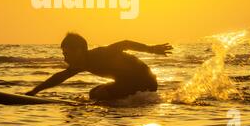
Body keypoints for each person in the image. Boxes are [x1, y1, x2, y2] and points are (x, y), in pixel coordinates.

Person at [25, 33, 173, 101]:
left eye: (66, 53)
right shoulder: (81, 63)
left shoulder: (101, 54)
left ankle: (124, 106)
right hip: (128, 83)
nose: (64, 58)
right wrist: (35, 91)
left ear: (79, 51)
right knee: (93, 93)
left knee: (99, 95)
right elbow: (60, 76)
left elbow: (125, 43)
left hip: (144, 81)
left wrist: (151, 49)